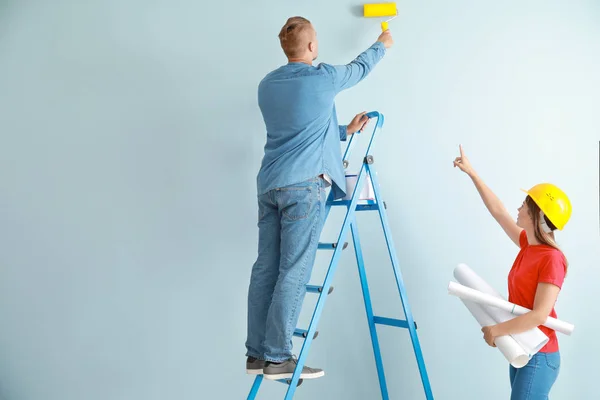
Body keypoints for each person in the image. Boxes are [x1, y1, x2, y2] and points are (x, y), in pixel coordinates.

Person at [245, 16, 394, 381]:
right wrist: (383, 43)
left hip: (269, 185)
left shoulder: (267, 85)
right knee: (293, 270)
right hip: (304, 188)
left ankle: (256, 353)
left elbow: (301, 128)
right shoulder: (322, 77)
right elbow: (360, 68)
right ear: (311, 47)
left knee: (266, 268)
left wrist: (344, 131)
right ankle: (279, 357)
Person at [453, 144, 572, 399]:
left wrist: (497, 330)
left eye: (523, 205)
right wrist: (472, 173)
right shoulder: (527, 244)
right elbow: (498, 211)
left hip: (540, 354)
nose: (518, 209)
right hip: (521, 345)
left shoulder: (552, 259)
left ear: (537, 216)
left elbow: (539, 315)